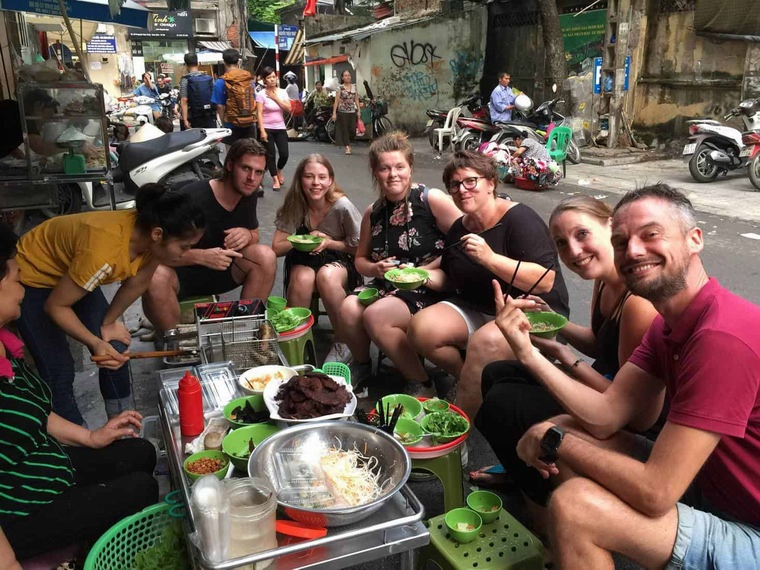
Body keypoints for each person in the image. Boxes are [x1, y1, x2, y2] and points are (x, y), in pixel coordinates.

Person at [498, 185, 760, 569]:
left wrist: (552, 439)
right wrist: (528, 352)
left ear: (695, 240)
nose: (633, 251)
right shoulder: (669, 322)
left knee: (574, 508)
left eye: (651, 235)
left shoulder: (721, 336)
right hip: (709, 487)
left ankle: (581, 542)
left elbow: (657, 492)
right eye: (621, 242)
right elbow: (607, 415)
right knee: (566, 427)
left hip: (749, 526)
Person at [473, 196, 658, 517]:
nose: (573, 251)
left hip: (632, 421)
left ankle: (546, 507)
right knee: (497, 374)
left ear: (610, 226)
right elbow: (599, 345)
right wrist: (553, 326)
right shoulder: (604, 281)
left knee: (503, 403)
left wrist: (554, 352)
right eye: (561, 242)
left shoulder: (638, 303)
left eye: (582, 234)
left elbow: (630, 409)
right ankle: (523, 467)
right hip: (606, 387)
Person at [0, 224, 158, 565]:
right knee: (140, 489)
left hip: (46, 467)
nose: (22, 286)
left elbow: (37, 412)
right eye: (14, 276)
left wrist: (91, 437)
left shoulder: (5, 343)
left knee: (141, 452)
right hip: (19, 508)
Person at [14, 184, 205, 426]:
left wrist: (108, 323)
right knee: (59, 370)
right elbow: (55, 307)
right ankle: (79, 444)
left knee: (115, 347)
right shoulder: (104, 252)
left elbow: (138, 282)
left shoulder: (151, 239)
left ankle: (122, 424)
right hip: (33, 276)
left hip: (73, 270)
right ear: (158, 234)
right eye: (185, 247)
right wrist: (94, 341)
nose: (187, 253)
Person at [409, 151, 569, 407]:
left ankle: (460, 429)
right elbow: (448, 278)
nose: (462, 190)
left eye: (470, 181)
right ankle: (470, 381)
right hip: (479, 308)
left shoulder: (519, 219)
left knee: (486, 342)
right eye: (454, 185)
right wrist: (420, 277)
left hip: (531, 313)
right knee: (421, 329)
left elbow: (545, 281)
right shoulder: (460, 227)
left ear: (491, 183)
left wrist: (490, 258)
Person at [334, 132, 462, 394]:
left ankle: (422, 382)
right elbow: (360, 260)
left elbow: (463, 241)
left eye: (399, 167)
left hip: (429, 285)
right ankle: (361, 365)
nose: (393, 174)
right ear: (375, 172)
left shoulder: (430, 200)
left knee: (375, 316)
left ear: (410, 168)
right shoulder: (374, 212)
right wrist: (375, 268)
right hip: (387, 285)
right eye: (385, 168)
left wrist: (424, 271)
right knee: (348, 308)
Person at [142, 138, 276, 338]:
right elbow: (154, 249)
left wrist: (248, 235)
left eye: (258, 172)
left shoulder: (248, 193)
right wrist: (201, 256)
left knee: (265, 256)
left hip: (223, 271)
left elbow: (255, 234)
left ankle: (245, 332)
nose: (252, 178)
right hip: (181, 275)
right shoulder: (192, 197)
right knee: (153, 275)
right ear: (230, 165)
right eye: (246, 169)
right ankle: (176, 341)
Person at [272, 154, 363, 363]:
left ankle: (344, 342)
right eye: (309, 177)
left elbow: (359, 248)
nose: (316, 183)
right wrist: (303, 240)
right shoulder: (296, 203)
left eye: (322, 177)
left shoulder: (342, 206)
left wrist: (329, 242)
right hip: (303, 258)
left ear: (330, 180)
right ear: (300, 179)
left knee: (326, 276)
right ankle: (296, 340)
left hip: (339, 256)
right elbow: (276, 247)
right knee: (302, 278)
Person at [212, 49, 258, 146]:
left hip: (231, 124)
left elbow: (220, 106)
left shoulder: (220, 82)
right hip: (249, 123)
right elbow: (254, 99)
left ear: (224, 62)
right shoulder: (247, 79)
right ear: (238, 61)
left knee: (232, 156)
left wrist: (223, 123)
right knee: (248, 153)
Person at [257, 67, 291, 191]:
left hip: (280, 127)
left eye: (273, 77)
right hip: (267, 128)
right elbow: (259, 113)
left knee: (284, 154)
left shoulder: (282, 92)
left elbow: (288, 108)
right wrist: (262, 131)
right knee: (270, 155)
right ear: (264, 80)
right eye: (269, 77)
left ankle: (279, 170)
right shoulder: (261, 94)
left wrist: (275, 98)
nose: (272, 79)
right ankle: (275, 178)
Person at [180, 53, 216, 130]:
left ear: (186, 65)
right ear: (198, 63)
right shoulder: (209, 78)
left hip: (194, 117)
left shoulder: (185, 80)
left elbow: (184, 100)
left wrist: (185, 120)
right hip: (209, 115)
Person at [332, 69, 360, 155]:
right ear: (342, 78)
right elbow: (336, 101)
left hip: (352, 111)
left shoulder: (354, 87)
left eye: (349, 75)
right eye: (346, 75)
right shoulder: (339, 88)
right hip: (342, 112)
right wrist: (334, 113)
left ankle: (348, 141)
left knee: (352, 130)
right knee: (345, 130)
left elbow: (356, 99)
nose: (348, 77)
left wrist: (359, 110)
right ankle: (347, 146)